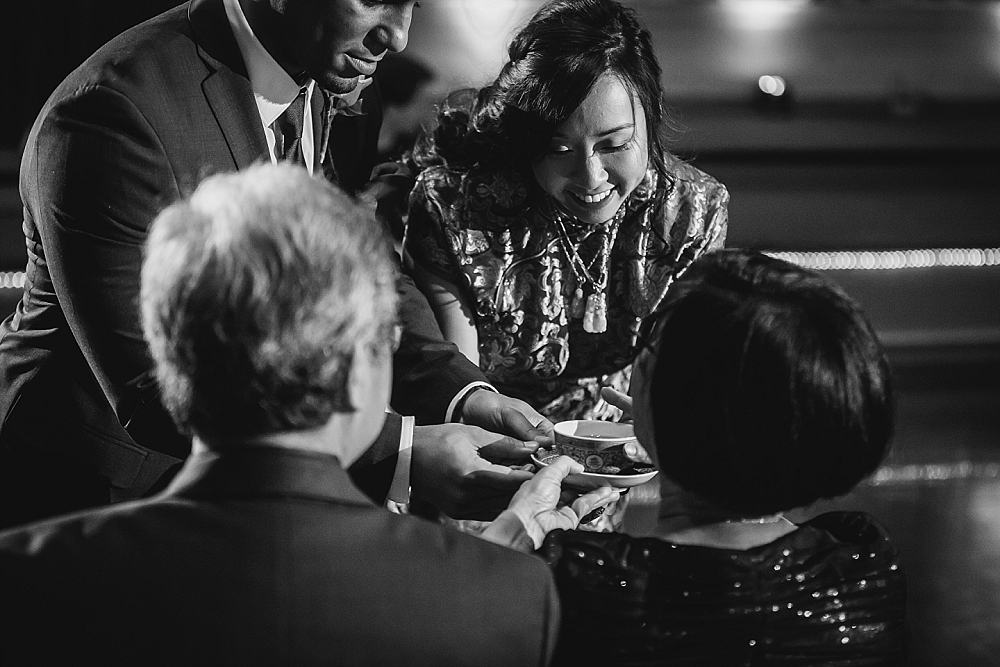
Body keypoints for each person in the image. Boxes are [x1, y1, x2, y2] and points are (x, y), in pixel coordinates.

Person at [0, 164, 619, 666]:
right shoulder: (508, 600)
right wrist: (495, 563)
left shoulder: (28, 579)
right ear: (361, 366)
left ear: (169, 361)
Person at [0, 0, 552, 530]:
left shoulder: (342, 86)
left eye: (414, 6)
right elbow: (154, 382)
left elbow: (358, 275)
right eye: (374, 0)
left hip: (240, 503)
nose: (399, 36)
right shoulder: (114, 109)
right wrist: (400, 451)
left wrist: (462, 395)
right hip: (91, 492)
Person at [538, 249, 909, 665]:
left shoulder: (577, 582)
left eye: (651, 348)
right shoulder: (863, 565)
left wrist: (519, 537)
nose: (637, 362)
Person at [403, 0, 729, 422]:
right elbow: (459, 378)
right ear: (527, 140)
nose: (591, 177)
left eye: (614, 145)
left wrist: (657, 424)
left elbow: (678, 369)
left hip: (625, 433)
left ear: (651, 119)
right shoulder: (456, 209)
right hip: (495, 428)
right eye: (558, 149)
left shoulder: (691, 210)